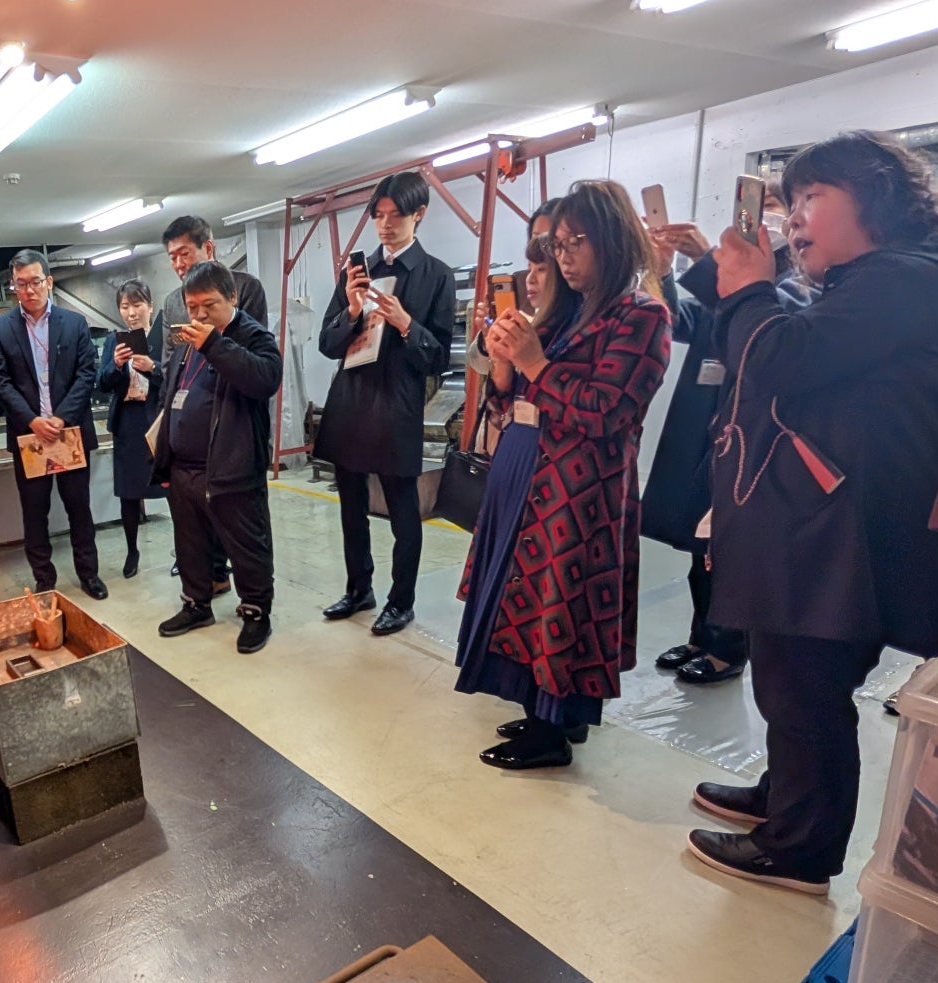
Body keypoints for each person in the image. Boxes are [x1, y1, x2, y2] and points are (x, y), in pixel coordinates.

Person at [689, 131, 938, 894]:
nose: (795, 219)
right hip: (842, 522)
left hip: (853, 532)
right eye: (789, 202)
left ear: (874, 200)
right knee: (793, 676)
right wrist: (735, 280)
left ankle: (799, 846)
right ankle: (787, 796)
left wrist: (747, 291)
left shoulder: (904, 282)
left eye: (811, 198)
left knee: (805, 681)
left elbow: (781, 360)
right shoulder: (898, 281)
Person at [454, 181, 671, 770]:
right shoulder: (568, 313)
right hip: (528, 468)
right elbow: (516, 401)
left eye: (577, 242)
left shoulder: (642, 315)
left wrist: (533, 362)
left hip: (580, 491)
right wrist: (504, 363)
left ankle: (550, 731)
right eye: (558, 244)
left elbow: (606, 411)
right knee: (522, 597)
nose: (564, 256)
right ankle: (547, 714)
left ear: (613, 240)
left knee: (558, 603)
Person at [643, 186, 813, 685]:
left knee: (729, 546)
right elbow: (684, 319)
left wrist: (707, 260)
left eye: (780, 218)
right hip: (705, 423)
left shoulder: (795, 289)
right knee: (699, 542)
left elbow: (766, 320)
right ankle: (702, 634)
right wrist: (662, 271)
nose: (772, 228)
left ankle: (729, 647)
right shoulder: (733, 287)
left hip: (752, 435)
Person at [313, 171, 458, 637]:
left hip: (397, 407)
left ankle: (401, 601)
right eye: (378, 215)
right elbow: (327, 344)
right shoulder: (356, 272)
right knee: (350, 506)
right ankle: (360, 589)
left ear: (420, 214)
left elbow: (438, 356)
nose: (385, 225)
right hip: (352, 402)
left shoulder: (436, 275)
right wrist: (353, 310)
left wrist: (405, 324)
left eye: (396, 215)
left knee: (402, 511)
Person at [150, 261, 284, 654]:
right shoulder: (185, 342)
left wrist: (214, 343)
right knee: (190, 543)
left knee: (245, 543)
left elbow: (264, 379)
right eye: (192, 307)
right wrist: (164, 459)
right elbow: (170, 396)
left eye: (209, 304)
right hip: (184, 469)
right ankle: (196, 603)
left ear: (233, 298)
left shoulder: (252, 336)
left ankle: (256, 610)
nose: (200, 315)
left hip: (231, 466)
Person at [154, 217, 271, 589]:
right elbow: (170, 362)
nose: (178, 263)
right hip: (188, 438)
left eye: (184, 253)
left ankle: (253, 604)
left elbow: (250, 361)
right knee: (192, 530)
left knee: (239, 525)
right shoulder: (173, 302)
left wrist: (211, 344)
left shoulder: (245, 288)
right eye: (171, 257)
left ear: (209, 246)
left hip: (231, 430)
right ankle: (205, 585)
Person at [0, 250, 108, 599]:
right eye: (20, 284)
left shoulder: (74, 323)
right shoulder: (0, 329)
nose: (29, 290)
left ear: (49, 282)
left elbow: (87, 374)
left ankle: (89, 575)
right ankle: (44, 578)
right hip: (30, 439)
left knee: (79, 509)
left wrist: (61, 417)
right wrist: (33, 420)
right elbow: (2, 382)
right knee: (35, 513)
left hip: (69, 434)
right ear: (14, 287)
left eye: (36, 282)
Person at [97, 279, 166, 578]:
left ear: (150, 306)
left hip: (158, 421)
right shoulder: (114, 340)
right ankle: (132, 551)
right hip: (127, 421)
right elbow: (100, 384)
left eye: (137, 305)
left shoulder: (165, 336)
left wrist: (153, 368)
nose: (131, 312)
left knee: (173, 489)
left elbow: (177, 378)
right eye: (125, 307)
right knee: (128, 492)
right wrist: (114, 365)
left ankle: (185, 550)